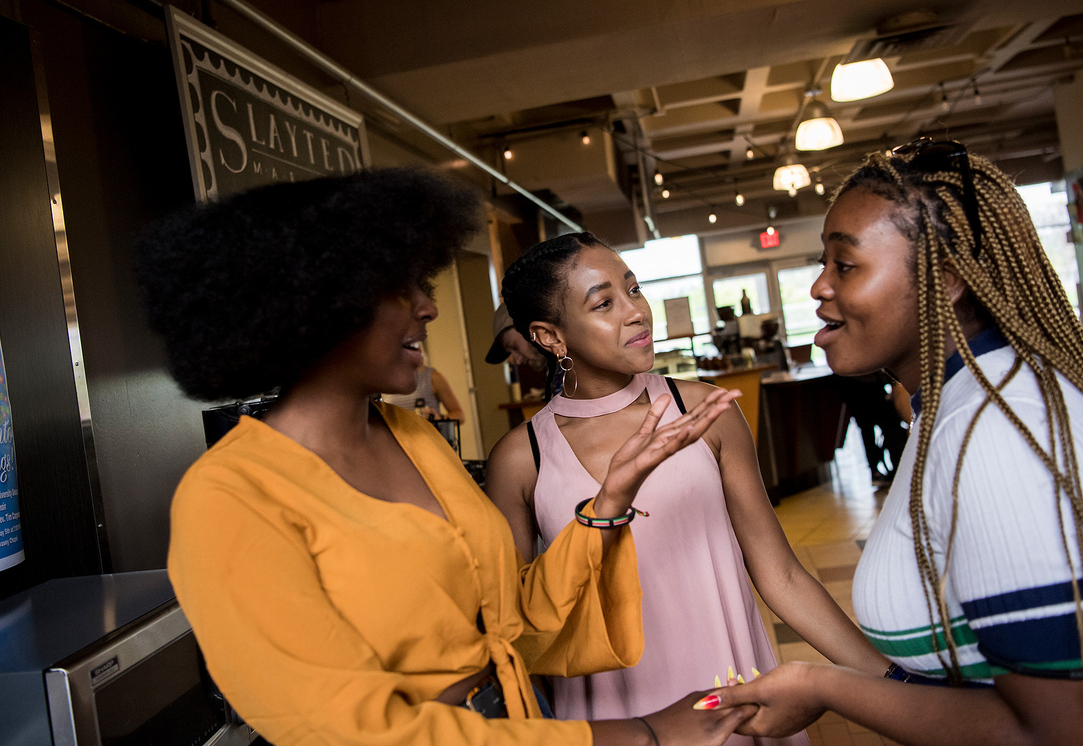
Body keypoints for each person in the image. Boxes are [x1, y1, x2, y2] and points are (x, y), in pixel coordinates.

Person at [135, 167, 755, 746]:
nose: (427, 307)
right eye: (400, 290)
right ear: (317, 306)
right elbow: (349, 730)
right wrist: (639, 735)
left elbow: (514, 622)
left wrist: (608, 504)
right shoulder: (231, 496)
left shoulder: (414, 437)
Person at [708, 140, 1083, 744]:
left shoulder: (992, 430)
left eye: (845, 265)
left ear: (949, 277)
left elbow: (1051, 731)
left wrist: (825, 688)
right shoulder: (952, 405)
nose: (818, 288)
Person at [486, 232, 888, 741]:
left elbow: (781, 574)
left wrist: (892, 680)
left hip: (727, 685)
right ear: (550, 337)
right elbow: (514, 626)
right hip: (610, 715)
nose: (636, 312)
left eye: (634, 290)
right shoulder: (523, 456)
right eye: (604, 303)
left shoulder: (704, 411)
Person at [383, 363, 465, 422]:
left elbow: (459, 415)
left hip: (427, 441)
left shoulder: (432, 377)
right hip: (396, 443)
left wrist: (439, 419)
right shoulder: (383, 381)